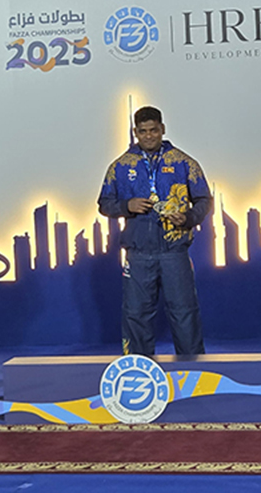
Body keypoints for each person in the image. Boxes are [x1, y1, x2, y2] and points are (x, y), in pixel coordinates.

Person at [98, 106, 212, 357]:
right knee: (136, 314)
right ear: (135, 132)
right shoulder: (119, 166)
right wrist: (127, 206)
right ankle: (138, 371)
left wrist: (189, 217)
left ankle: (194, 369)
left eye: (153, 130)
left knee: (184, 312)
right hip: (138, 254)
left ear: (163, 129)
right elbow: (104, 204)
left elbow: (204, 199)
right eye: (143, 131)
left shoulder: (184, 163)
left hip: (174, 251)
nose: (149, 136)